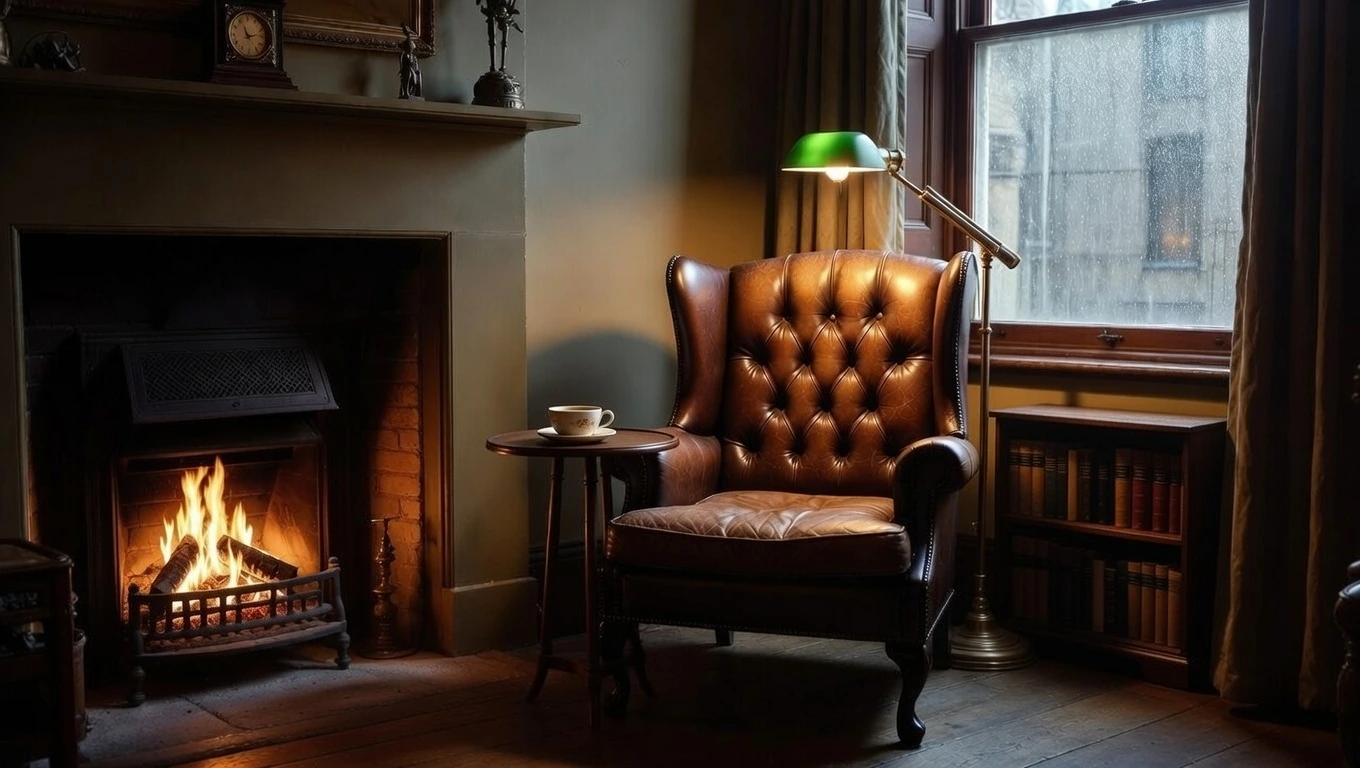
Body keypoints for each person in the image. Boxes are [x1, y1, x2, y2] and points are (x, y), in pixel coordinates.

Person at [398, 23, 422, 100]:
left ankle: (412, 93)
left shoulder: (413, 57)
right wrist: (401, 70)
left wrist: (417, 71)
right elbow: (402, 63)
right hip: (407, 70)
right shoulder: (404, 55)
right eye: (410, 47)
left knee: (414, 81)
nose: (411, 49)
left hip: (412, 70)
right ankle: (406, 92)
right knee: (408, 76)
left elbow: (416, 66)